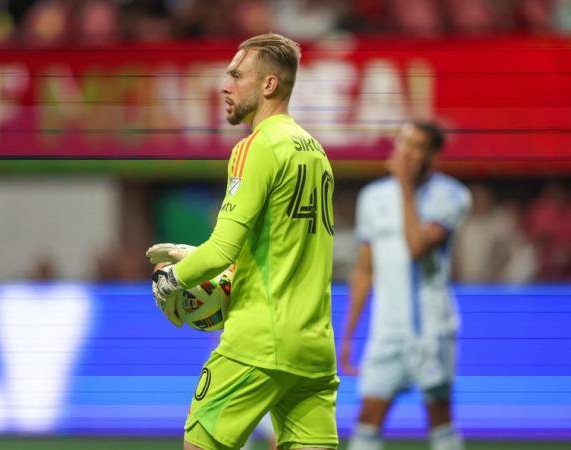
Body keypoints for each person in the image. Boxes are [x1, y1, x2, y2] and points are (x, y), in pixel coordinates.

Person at [147, 33, 339, 450]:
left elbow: (221, 250)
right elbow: (282, 248)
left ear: (269, 85)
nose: (225, 85)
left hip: (258, 341)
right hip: (315, 348)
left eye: (236, 75)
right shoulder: (316, 152)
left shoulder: (256, 147)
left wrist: (172, 280)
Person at [340, 121, 471, 450]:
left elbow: (416, 247)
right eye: (403, 142)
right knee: (368, 417)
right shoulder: (372, 197)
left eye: (417, 145)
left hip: (432, 328)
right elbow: (364, 270)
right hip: (386, 330)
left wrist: (404, 187)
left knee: (440, 418)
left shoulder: (452, 195)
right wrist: (348, 335)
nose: (406, 151)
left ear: (433, 154)